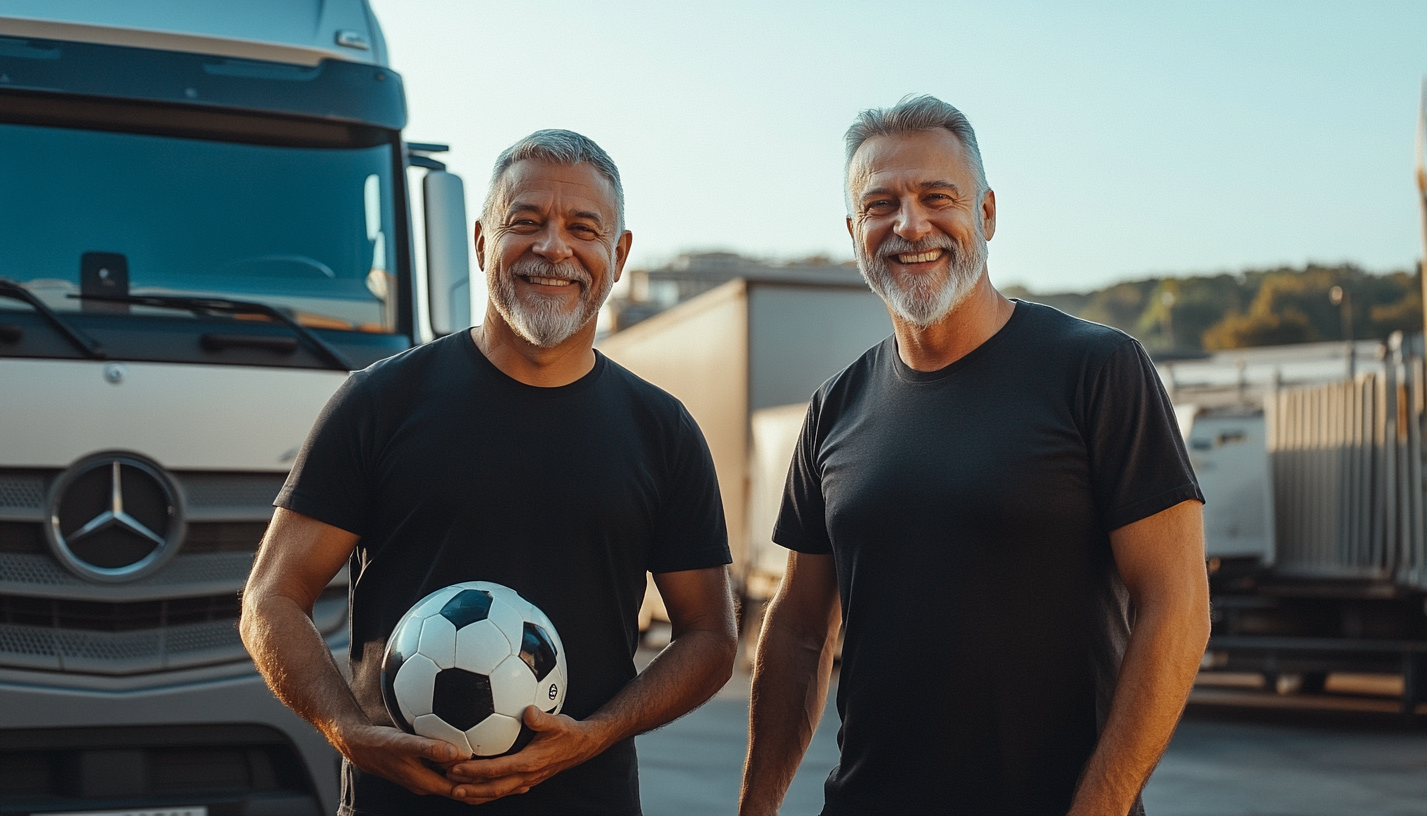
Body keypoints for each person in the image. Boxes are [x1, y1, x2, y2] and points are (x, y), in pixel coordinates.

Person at [240, 129, 738, 815]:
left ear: (619, 255)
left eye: (582, 229)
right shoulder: (380, 404)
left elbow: (710, 636)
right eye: (524, 222)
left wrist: (596, 735)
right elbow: (271, 598)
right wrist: (349, 732)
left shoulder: (663, 431)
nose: (553, 248)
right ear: (480, 242)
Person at [738, 96, 1210, 816]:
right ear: (854, 233)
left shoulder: (1100, 370)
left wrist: (1100, 807)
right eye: (881, 204)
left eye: (937, 197)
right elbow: (801, 629)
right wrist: (756, 808)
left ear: (986, 214)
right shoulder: (836, 407)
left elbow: (1176, 606)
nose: (910, 224)